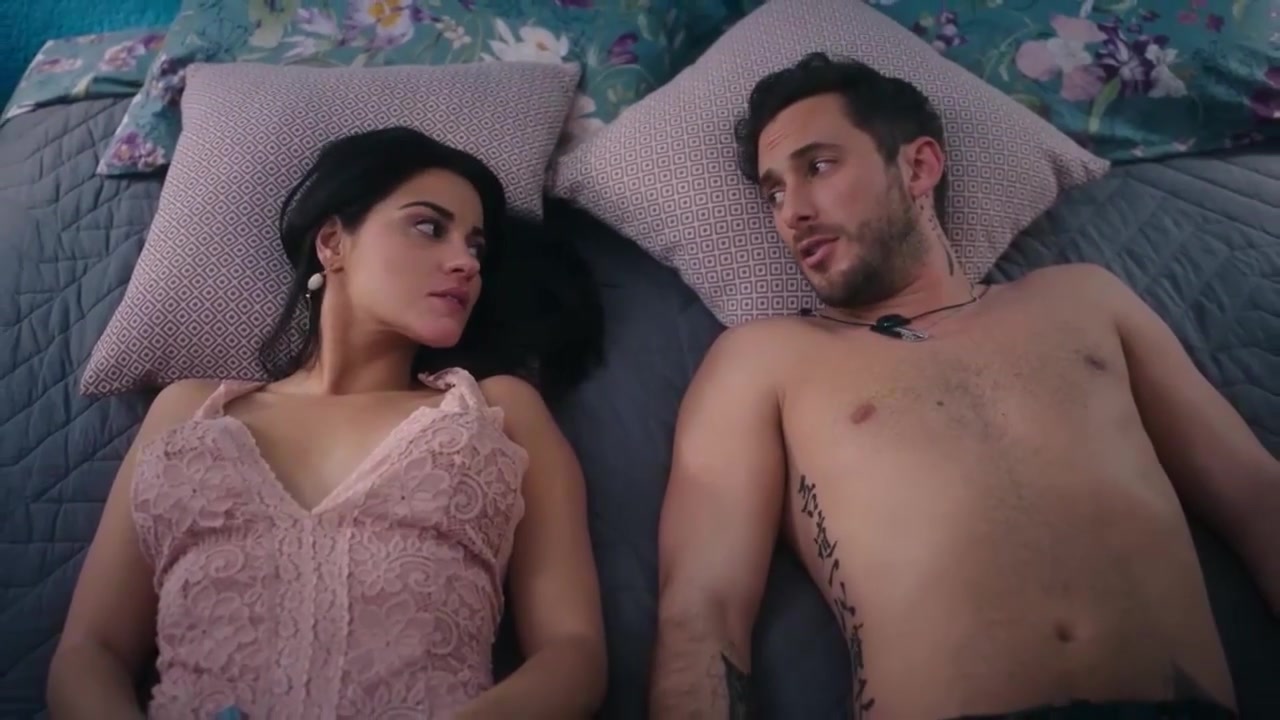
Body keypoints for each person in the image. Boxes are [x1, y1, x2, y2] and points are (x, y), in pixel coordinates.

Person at [650, 53, 1280, 720]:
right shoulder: (762, 360)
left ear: (918, 167)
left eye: (819, 167)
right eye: (774, 192)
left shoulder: (1084, 300)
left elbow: (1258, 498)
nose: (793, 212)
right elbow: (702, 610)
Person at [47, 127, 608, 719]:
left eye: (477, 248)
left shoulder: (496, 412)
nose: (465, 262)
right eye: (428, 227)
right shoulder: (190, 411)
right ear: (333, 243)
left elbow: (573, 654)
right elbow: (90, 651)